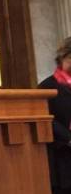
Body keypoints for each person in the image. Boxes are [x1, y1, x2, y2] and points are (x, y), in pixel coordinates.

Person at [39, 37, 71, 194]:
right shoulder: (46, 87)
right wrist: (68, 138)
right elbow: (44, 119)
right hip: (62, 161)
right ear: (64, 57)